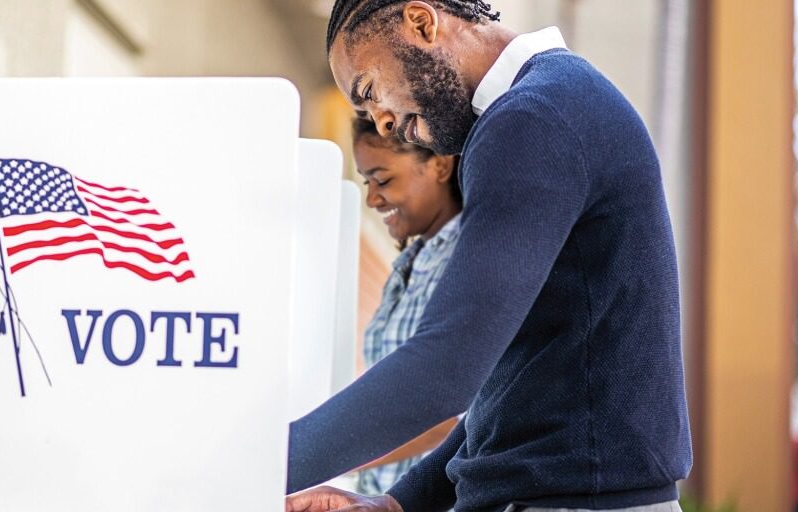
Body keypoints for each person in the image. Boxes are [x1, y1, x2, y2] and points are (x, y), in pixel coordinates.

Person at [285, 1, 691, 511]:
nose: (383, 125)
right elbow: (513, 387)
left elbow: (445, 367)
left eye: (368, 91)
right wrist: (396, 504)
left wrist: (259, 461)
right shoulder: (553, 102)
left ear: (421, 22)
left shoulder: (533, 118)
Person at [349, 117, 462, 496]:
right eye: (367, 182)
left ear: (440, 165)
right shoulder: (412, 261)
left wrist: (336, 453)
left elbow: (456, 416)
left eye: (382, 180)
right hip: (384, 494)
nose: (371, 199)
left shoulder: (466, 262)